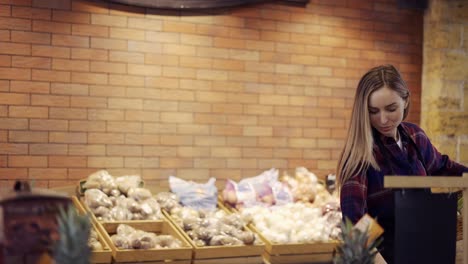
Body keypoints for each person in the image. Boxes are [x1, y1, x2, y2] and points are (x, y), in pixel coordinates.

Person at [336, 64, 468, 263]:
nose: (382, 120)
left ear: (405, 101)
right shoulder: (360, 153)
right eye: (373, 111)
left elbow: (442, 167)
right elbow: (354, 224)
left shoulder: (415, 137)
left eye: (391, 109)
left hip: (422, 252)